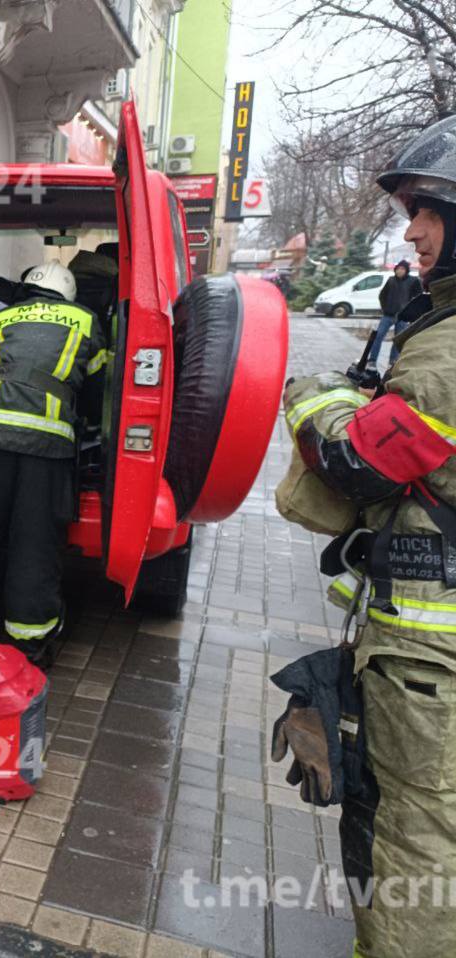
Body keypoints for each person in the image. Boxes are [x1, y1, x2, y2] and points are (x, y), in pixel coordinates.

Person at [273, 115, 456, 958]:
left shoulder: (450, 356)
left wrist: (314, 394)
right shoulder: (435, 330)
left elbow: (357, 462)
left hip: (432, 668)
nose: (412, 230)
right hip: (414, 651)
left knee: (418, 842)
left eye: (429, 210)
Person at [0, 262, 105, 666]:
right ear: (65, 293)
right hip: (45, 444)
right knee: (34, 543)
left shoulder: (0, 318)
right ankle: (28, 646)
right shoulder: (87, 321)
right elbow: (98, 389)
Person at [368, 259, 423, 371]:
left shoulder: (413, 281)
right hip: (388, 315)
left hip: (403, 317)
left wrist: (411, 312)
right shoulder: (391, 280)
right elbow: (382, 295)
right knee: (378, 336)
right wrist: (385, 308)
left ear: (406, 270)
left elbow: (419, 297)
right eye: (398, 269)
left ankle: (393, 362)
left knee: (398, 340)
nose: (399, 271)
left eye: (402, 269)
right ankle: (372, 361)